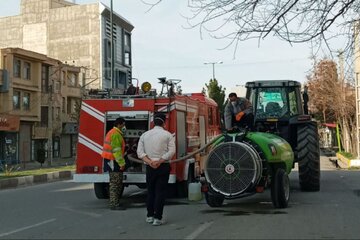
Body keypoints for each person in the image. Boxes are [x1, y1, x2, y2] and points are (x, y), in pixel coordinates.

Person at [136, 113, 176, 226]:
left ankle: (149, 216)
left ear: (153, 122)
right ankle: (158, 218)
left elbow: (140, 152)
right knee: (160, 192)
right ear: (164, 122)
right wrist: (160, 161)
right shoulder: (168, 135)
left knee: (151, 191)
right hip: (163, 166)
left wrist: (150, 162)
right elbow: (171, 151)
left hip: (150, 167)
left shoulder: (144, 135)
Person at [101, 117, 127, 210]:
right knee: (115, 183)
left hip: (111, 160)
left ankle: (115, 202)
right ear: (119, 124)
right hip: (113, 161)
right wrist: (122, 163)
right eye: (123, 124)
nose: (124, 126)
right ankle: (114, 204)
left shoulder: (114, 133)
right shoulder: (115, 134)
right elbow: (117, 151)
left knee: (116, 183)